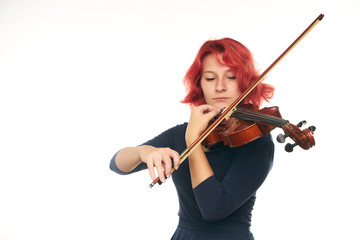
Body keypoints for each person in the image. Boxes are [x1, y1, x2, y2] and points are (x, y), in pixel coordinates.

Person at [110, 38, 275, 240]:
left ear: (246, 83)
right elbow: (117, 165)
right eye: (210, 78)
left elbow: (213, 209)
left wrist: (192, 140)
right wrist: (143, 152)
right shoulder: (181, 133)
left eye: (231, 77)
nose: (220, 87)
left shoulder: (256, 140)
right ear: (200, 85)